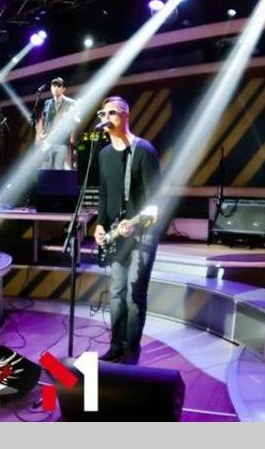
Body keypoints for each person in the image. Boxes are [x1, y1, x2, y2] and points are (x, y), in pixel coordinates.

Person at [94, 96, 161, 365]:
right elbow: (104, 193)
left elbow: (156, 202)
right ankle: (116, 346)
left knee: (134, 295)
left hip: (142, 232)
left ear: (126, 116)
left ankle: (132, 351)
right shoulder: (104, 155)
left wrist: (135, 224)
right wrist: (100, 224)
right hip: (117, 233)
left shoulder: (143, 151)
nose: (106, 118)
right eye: (103, 113)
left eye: (112, 112)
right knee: (117, 293)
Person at [35, 77, 79, 170]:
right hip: (48, 141)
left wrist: (72, 138)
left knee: (58, 169)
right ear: (51, 88)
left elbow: (75, 121)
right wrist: (41, 134)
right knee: (46, 169)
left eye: (59, 86)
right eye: (54, 86)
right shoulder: (47, 103)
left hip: (62, 142)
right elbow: (44, 120)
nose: (56, 88)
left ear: (63, 89)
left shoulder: (71, 103)